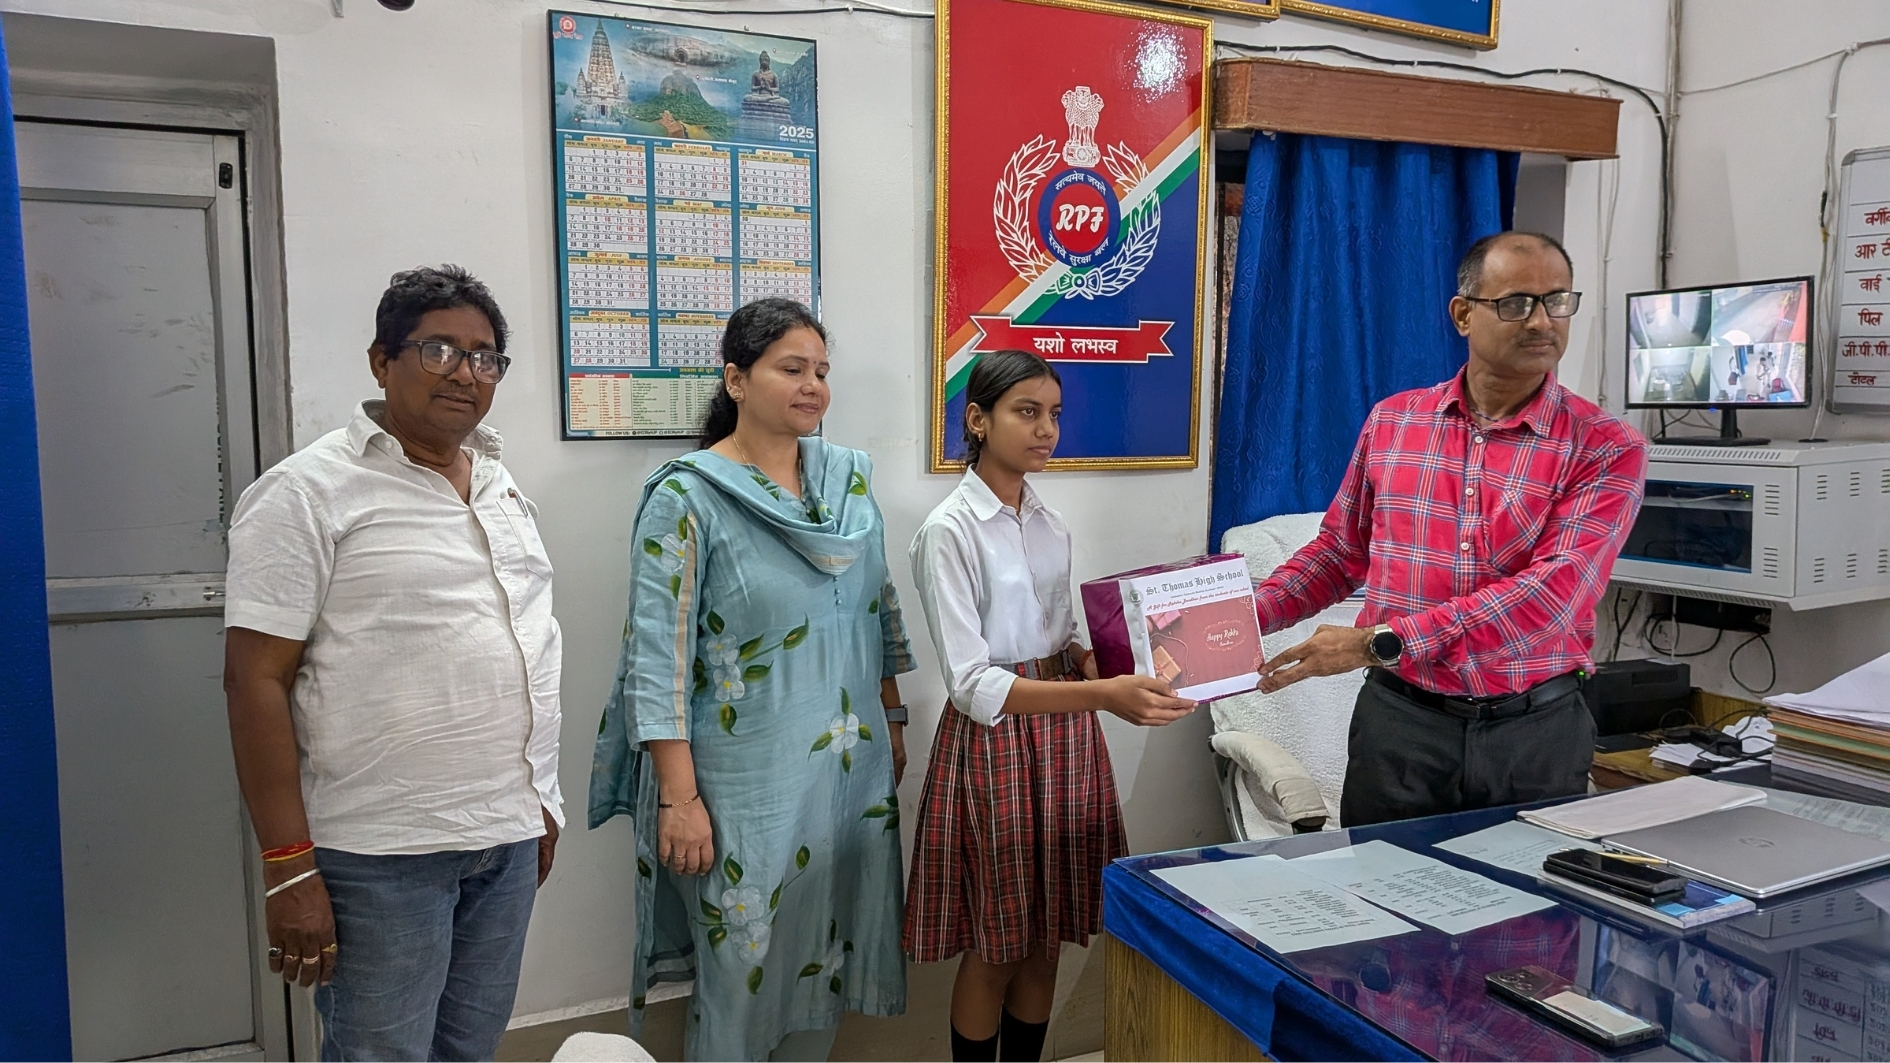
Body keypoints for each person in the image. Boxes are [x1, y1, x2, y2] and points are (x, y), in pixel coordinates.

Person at [223, 265, 562, 1060]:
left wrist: (539, 801)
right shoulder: (307, 492)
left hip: (506, 838)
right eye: (439, 349)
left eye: (485, 357)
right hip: (380, 854)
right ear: (382, 361)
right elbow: (254, 680)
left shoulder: (500, 485)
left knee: (468, 1050)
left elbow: (526, 645)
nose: (465, 372)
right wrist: (287, 867)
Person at [589, 298, 915, 1062]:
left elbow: (878, 603)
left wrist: (892, 716)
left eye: (822, 371)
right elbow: (657, 659)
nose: (813, 385)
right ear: (736, 379)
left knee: (826, 950)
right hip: (741, 786)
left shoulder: (847, 482)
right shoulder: (687, 496)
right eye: (791, 368)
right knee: (741, 969)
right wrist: (679, 800)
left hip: (849, 767)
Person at [1252, 232, 1648, 827]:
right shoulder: (1394, 422)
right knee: (1380, 884)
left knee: (1522, 890)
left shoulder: (1605, 446)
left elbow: (1553, 596)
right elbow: (1339, 552)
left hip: (1533, 735)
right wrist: (1229, 626)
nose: (1542, 321)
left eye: (1557, 301)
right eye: (1516, 303)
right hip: (1401, 728)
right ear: (1463, 314)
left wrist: (1377, 642)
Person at [904, 350, 1197, 1063]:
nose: (1046, 430)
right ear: (979, 420)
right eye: (1027, 412)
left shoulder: (1049, 522)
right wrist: (1100, 694)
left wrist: (1112, 664)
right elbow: (971, 682)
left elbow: (1063, 637)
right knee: (997, 945)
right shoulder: (949, 530)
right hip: (997, 741)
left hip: (1066, 737)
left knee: (1046, 937)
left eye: (1055, 414)